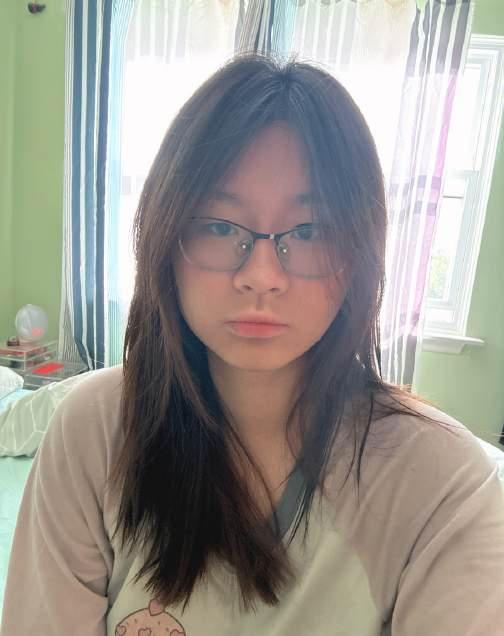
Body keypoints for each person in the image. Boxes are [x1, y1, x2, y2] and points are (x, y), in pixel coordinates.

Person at [1, 52, 503, 636]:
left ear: (360, 256)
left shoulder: (446, 485)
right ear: (164, 239)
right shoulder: (94, 428)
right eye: (219, 226)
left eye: (310, 231)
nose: (262, 275)